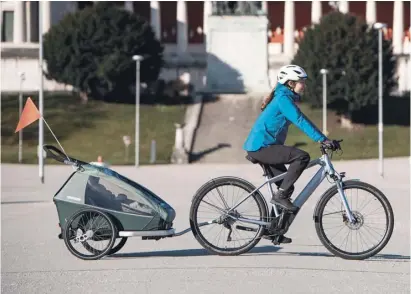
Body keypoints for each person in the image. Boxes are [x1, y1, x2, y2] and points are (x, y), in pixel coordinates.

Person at [243, 64, 340, 244]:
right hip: (261, 147)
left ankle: (272, 231)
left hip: (265, 146)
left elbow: (301, 118)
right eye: (301, 81)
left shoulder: (284, 97)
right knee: (301, 157)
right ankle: (279, 197)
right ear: (289, 83)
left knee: (287, 187)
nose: (304, 85)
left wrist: (322, 138)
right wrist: (322, 139)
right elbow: (300, 120)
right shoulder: (283, 99)